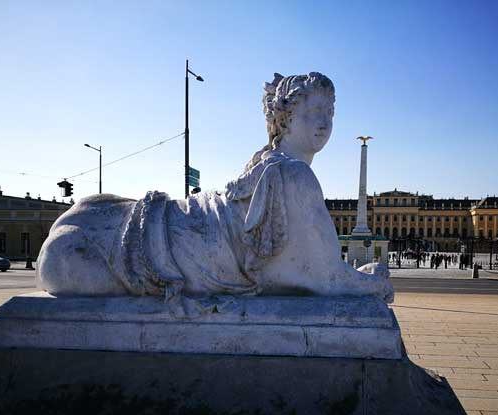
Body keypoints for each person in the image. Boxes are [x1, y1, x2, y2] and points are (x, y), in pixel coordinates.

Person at [38, 72, 393, 303]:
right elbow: (326, 279)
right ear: (284, 118)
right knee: (66, 261)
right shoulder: (294, 175)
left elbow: (314, 271)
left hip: (169, 226)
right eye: (315, 110)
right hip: (180, 249)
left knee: (80, 232)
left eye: (330, 111)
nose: (325, 121)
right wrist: (373, 282)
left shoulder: (265, 165)